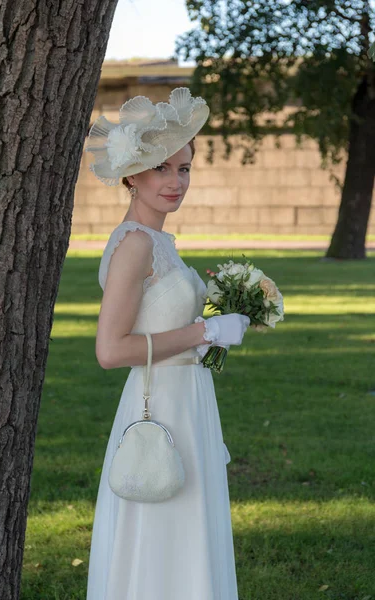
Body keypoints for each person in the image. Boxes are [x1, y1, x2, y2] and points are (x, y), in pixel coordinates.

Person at [84, 87, 250, 600]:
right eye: (162, 169)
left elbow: (162, 327)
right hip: (161, 406)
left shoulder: (159, 242)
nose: (175, 182)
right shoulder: (135, 244)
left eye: (184, 169)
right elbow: (110, 350)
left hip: (188, 400)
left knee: (188, 528)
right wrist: (204, 332)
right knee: (163, 534)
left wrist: (216, 328)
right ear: (132, 174)